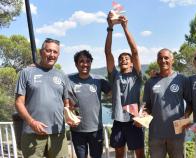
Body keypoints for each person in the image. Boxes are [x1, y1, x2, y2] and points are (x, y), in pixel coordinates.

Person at [15, 38, 69, 157]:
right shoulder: (26, 73)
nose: (52, 55)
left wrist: (70, 116)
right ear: (41, 52)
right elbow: (19, 103)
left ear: (58, 55)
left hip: (58, 133)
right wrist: (32, 122)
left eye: (55, 52)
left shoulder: (62, 75)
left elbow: (66, 103)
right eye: (48, 51)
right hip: (31, 133)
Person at [104, 12, 144, 158]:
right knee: (119, 153)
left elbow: (135, 51)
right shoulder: (115, 75)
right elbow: (108, 52)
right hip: (119, 121)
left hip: (135, 121)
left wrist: (125, 27)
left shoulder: (137, 75)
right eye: (121, 58)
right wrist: (110, 28)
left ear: (132, 62)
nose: (124, 60)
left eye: (127, 58)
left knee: (140, 154)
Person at [143, 48, 188, 158]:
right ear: (157, 61)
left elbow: (191, 102)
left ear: (172, 60)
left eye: (166, 58)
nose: (163, 60)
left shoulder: (181, 79)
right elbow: (146, 106)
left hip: (177, 134)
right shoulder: (150, 82)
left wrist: (186, 116)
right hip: (156, 135)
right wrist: (143, 114)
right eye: (160, 58)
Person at [68, 50, 111, 158]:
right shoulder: (68, 80)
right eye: (81, 61)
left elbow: (113, 92)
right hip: (77, 130)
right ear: (76, 64)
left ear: (91, 63)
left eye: (88, 61)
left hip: (96, 130)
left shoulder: (99, 80)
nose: (85, 64)